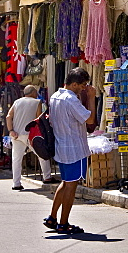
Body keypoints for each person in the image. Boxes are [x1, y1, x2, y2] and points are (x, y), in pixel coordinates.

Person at [44, 68, 92, 235]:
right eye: (83, 85)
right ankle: (63, 223)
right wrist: (91, 98)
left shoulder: (55, 96)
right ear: (74, 84)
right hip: (74, 148)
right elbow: (90, 119)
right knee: (71, 186)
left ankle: (52, 217)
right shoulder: (71, 99)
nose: (84, 88)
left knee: (65, 183)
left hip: (62, 146)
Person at [6, 85, 57, 190]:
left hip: (16, 134)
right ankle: (47, 177)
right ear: (33, 92)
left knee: (16, 159)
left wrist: (11, 130)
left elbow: (8, 116)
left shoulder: (17, 102)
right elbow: (38, 119)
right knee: (42, 153)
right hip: (30, 134)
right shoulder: (37, 102)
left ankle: (16, 184)